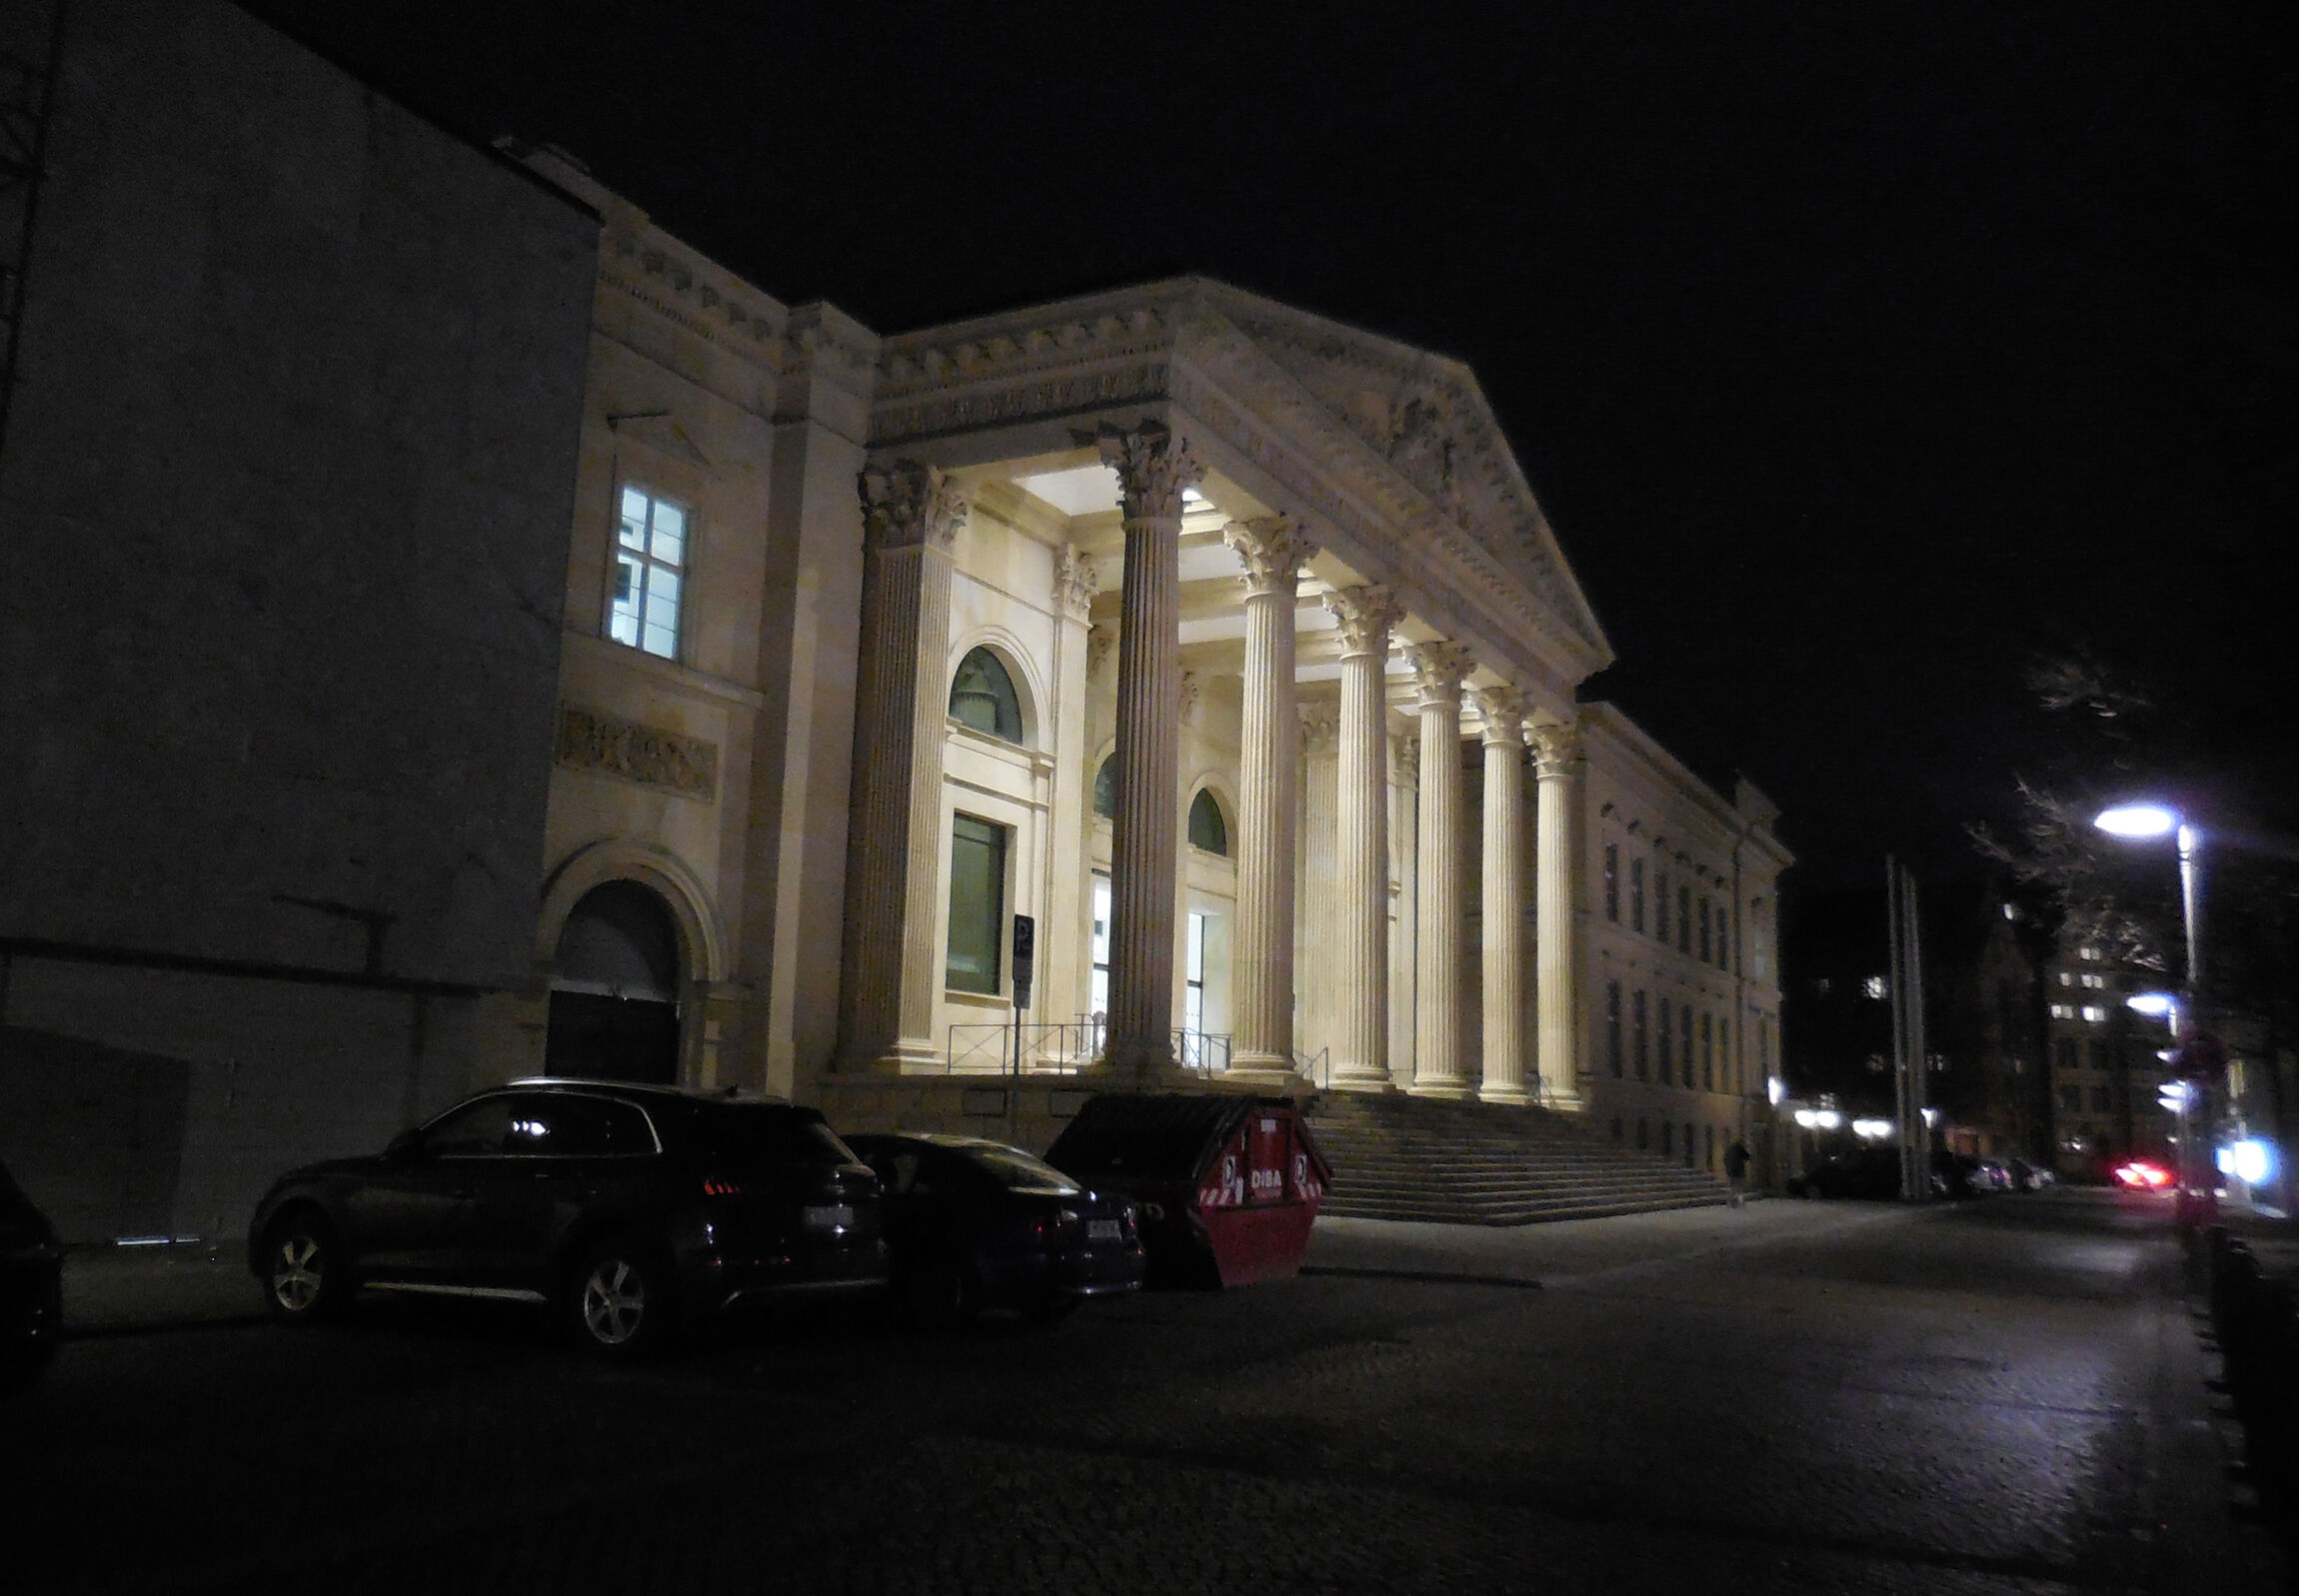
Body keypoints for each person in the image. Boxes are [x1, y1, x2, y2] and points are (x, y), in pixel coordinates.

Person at [1724, 1137, 1752, 1209]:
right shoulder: (1740, 1149)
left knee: (1733, 1186)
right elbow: (1748, 1157)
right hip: (1739, 1171)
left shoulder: (1729, 1150)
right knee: (1739, 1186)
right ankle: (1738, 1201)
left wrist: (1728, 1169)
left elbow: (1725, 1159)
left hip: (1730, 1172)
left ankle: (1732, 1201)